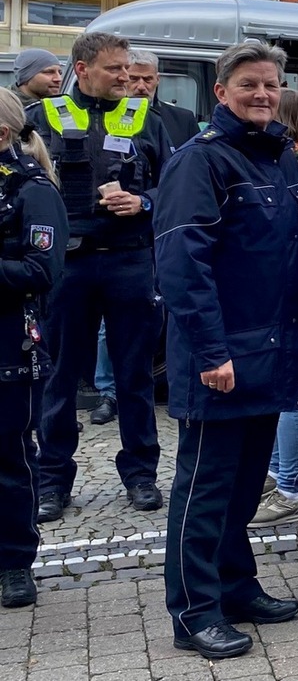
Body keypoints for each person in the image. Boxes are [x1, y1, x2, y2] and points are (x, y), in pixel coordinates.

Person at [156, 41, 298, 660]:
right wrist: (210, 351)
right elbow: (182, 265)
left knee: (247, 485)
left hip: (271, 350)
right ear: (220, 91)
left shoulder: (278, 158)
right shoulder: (201, 162)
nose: (262, 95)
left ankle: (236, 585)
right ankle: (193, 613)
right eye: (248, 84)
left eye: (271, 86)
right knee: (205, 488)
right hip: (220, 357)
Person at [28, 31, 174, 524]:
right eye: (115, 69)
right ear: (83, 68)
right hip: (66, 266)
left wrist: (143, 202)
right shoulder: (41, 119)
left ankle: (140, 475)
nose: (126, 77)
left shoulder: (144, 120)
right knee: (59, 377)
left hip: (131, 260)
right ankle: (51, 479)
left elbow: (173, 188)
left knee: (134, 376)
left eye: (129, 69)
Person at [90, 48, 203, 430]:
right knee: (107, 329)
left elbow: (180, 180)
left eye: (145, 78)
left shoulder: (177, 119)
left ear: (158, 80)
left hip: (160, 237)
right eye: (130, 75)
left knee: (163, 317)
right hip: (102, 243)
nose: (137, 84)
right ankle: (107, 392)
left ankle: (168, 384)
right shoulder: (97, 118)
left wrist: (145, 200)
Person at [0, 89, 67, 610]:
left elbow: (42, 272)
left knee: (10, 458)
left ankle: (15, 561)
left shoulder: (31, 189)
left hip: (10, 346)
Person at [250, 89, 298, 528]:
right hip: (287, 293)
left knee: (292, 395)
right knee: (285, 393)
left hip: (297, 294)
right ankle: (278, 473)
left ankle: (291, 485)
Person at [126, 49, 201, 151]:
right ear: (123, 79)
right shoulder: (107, 116)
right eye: (134, 79)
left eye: (147, 79)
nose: (141, 86)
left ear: (157, 79)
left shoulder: (184, 120)